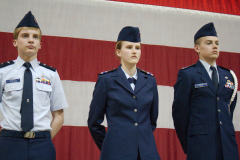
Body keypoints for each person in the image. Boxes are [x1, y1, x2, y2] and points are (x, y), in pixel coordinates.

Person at [0, 11, 68, 160]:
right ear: (15, 42)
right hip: (9, 142)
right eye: (25, 36)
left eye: (35, 37)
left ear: (40, 45)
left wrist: (44, 139)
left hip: (42, 144)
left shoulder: (51, 74)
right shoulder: (3, 73)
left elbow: (59, 115)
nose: (31, 40)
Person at [88, 26, 161, 160]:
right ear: (118, 51)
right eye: (129, 47)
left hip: (146, 153)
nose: (134, 51)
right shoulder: (106, 80)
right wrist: (110, 146)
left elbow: (152, 120)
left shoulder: (150, 81)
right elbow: (94, 122)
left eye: (137, 48)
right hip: (116, 154)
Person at [172, 22, 239, 160]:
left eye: (217, 43)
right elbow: (180, 114)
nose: (214, 46)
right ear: (197, 48)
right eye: (209, 43)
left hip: (227, 147)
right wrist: (190, 143)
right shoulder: (188, 75)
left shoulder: (229, 76)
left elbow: (228, 110)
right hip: (200, 147)